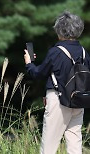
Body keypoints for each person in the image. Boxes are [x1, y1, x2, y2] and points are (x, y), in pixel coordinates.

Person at [24, 11, 90, 154]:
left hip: (58, 101)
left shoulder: (56, 51)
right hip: (78, 101)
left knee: (49, 146)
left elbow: (38, 74)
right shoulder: (84, 52)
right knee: (75, 146)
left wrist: (29, 63)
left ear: (60, 30)